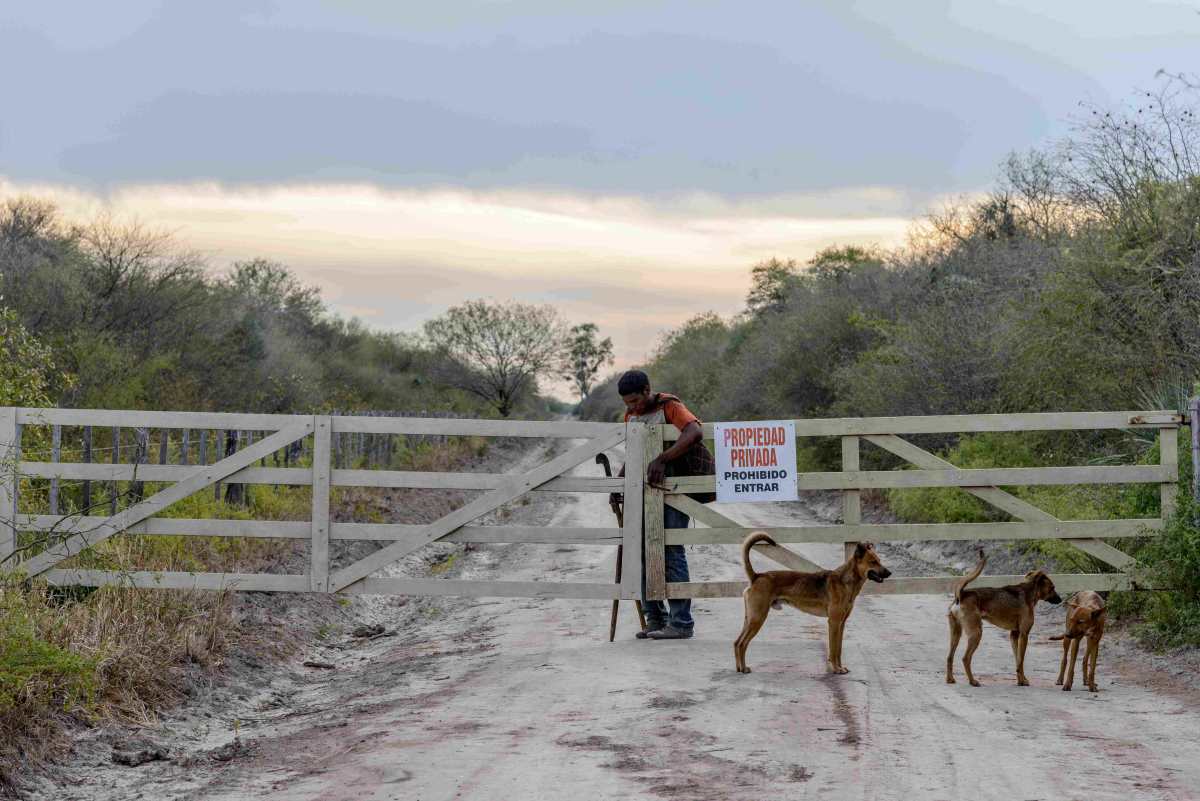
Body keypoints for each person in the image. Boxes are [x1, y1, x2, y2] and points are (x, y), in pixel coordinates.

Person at [612, 370, 711, 640]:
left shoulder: (670, 406)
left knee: (670, 550)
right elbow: (634, 452)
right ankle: (655, 618)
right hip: (644, 492)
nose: (632, 407)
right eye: (627, 403)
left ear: (647, 390)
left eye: (635, 401)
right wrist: (618, 485)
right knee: (643, 551)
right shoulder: (631, 416)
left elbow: (694, 431)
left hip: (673, 489)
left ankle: (681, 622)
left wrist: (662, 459)